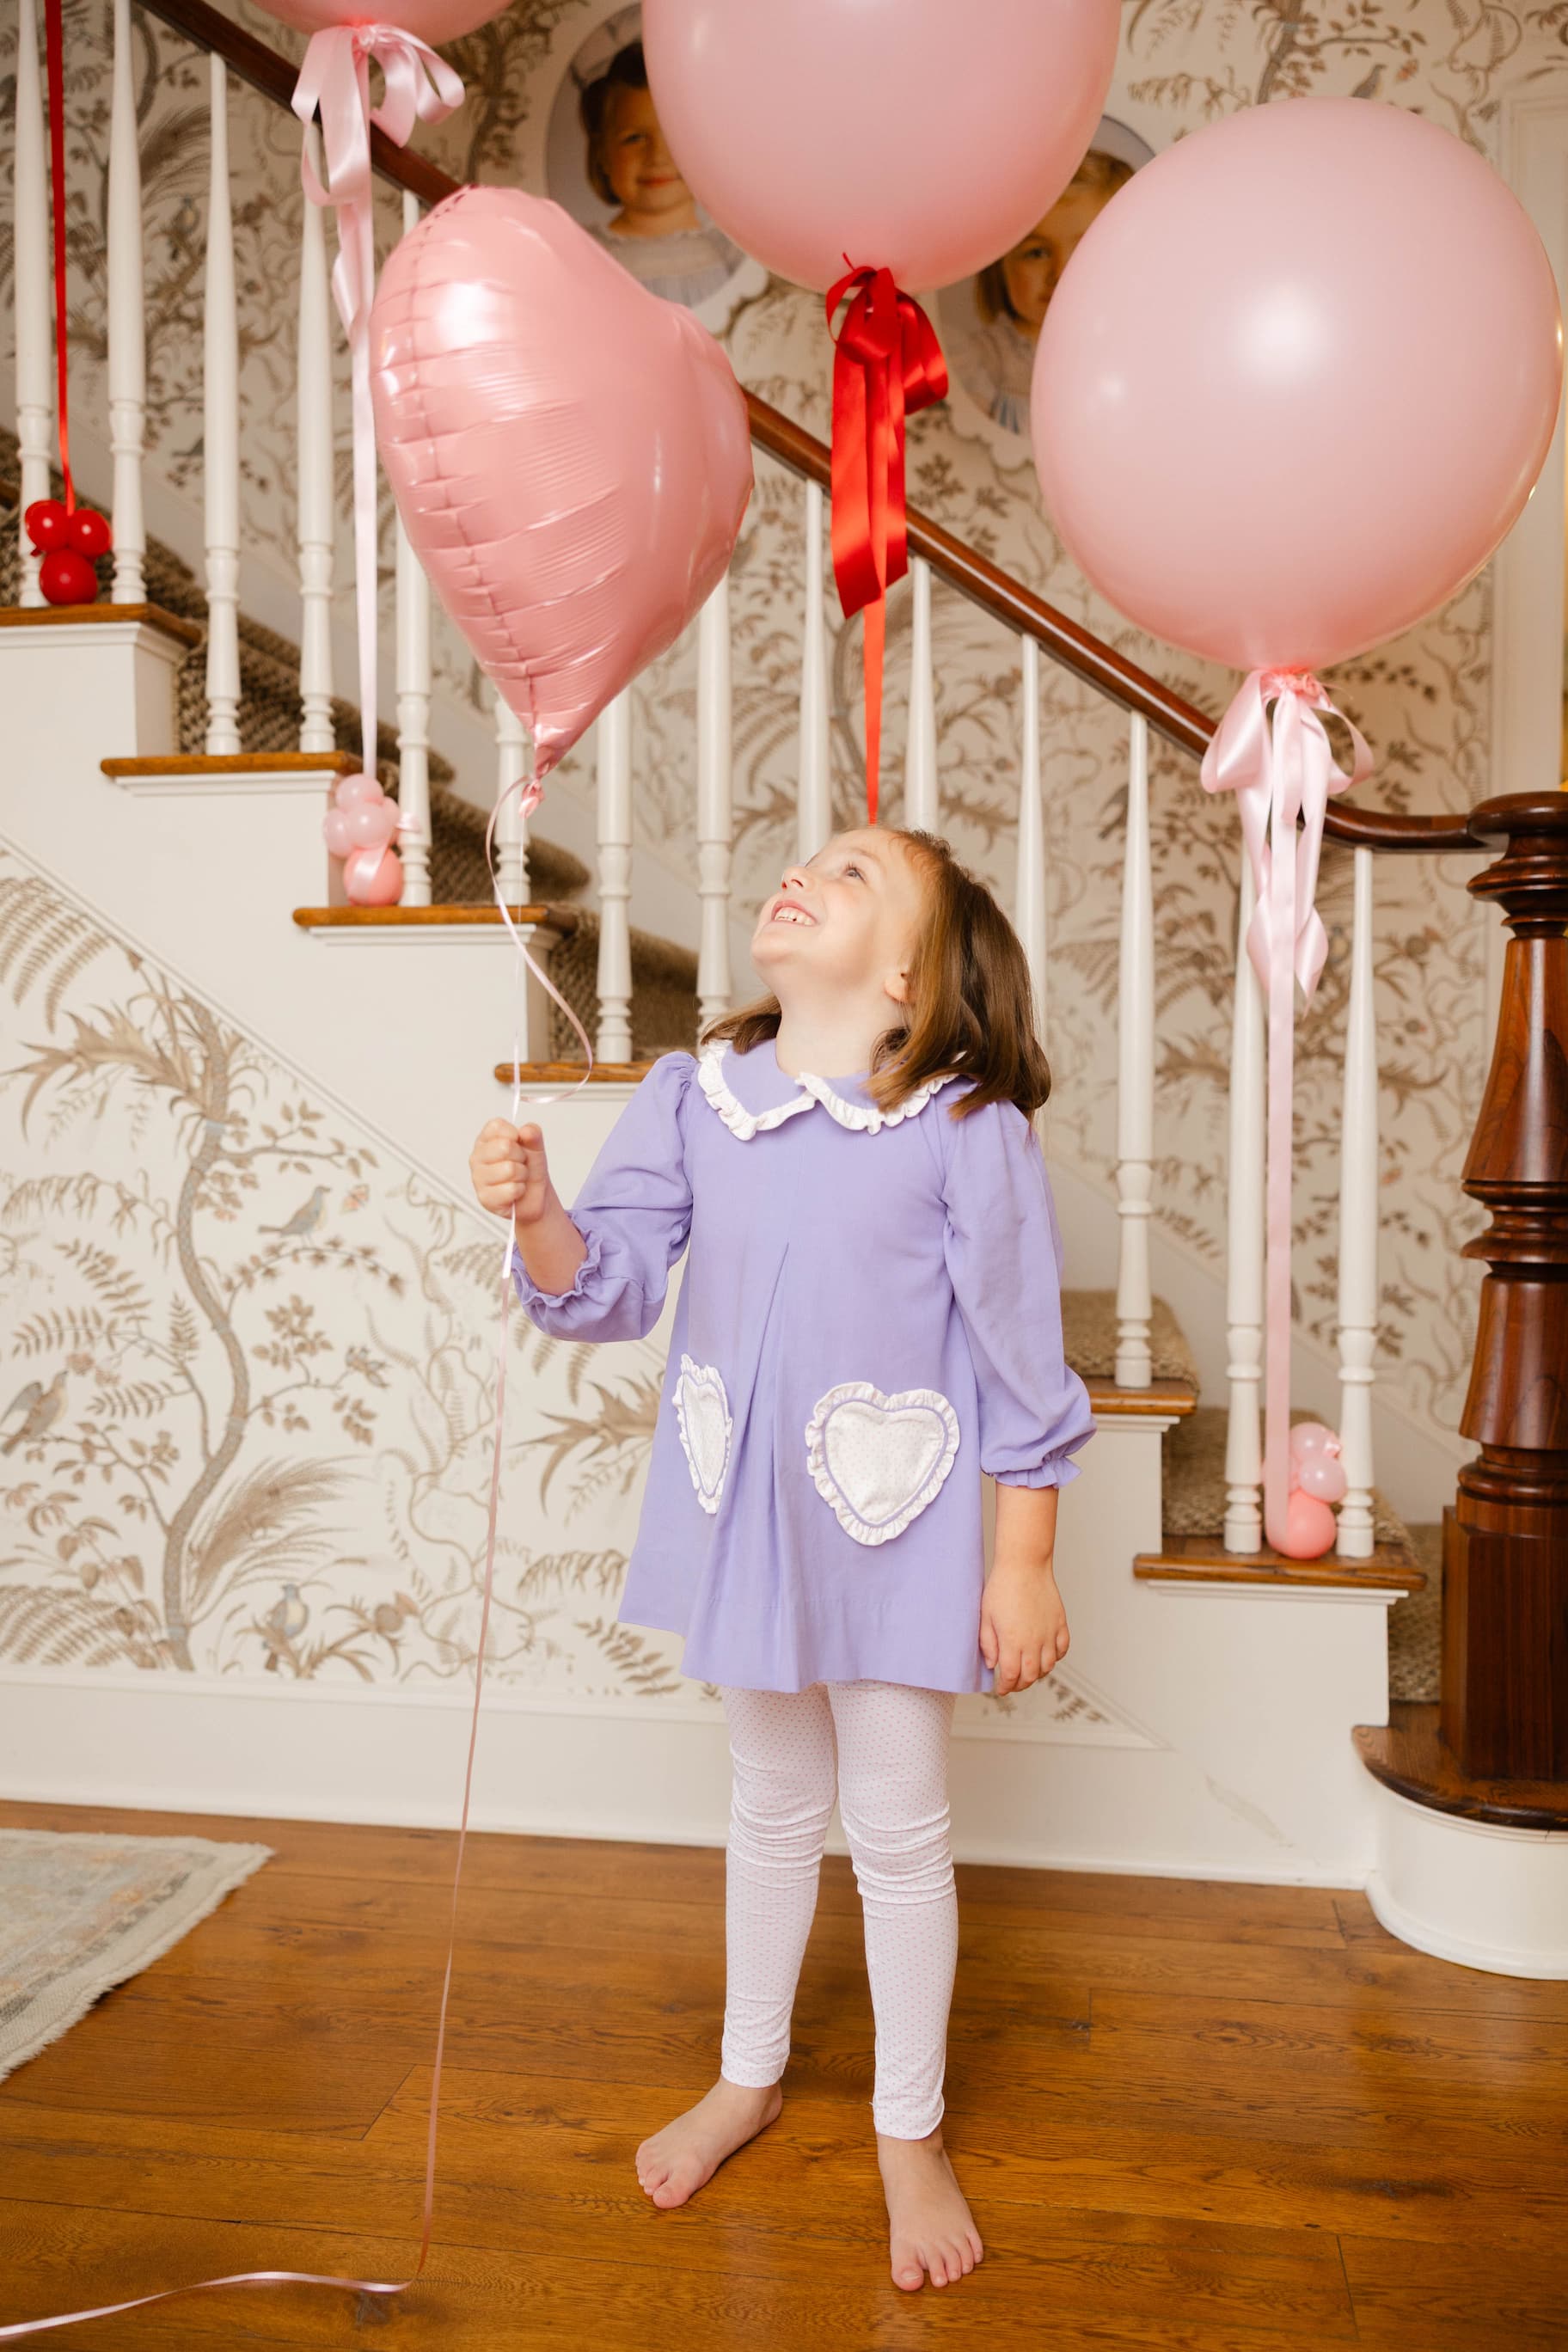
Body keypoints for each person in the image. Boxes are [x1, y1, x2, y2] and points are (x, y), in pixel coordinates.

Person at [468, 825, 1095, 2294]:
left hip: (896, 1526)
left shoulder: (961, 1132)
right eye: (811, 854)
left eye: (859, 873)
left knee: (896, 1826)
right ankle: (747, 2073)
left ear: (905, 977)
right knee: (768, 1803)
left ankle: (906, 2126)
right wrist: (539, 1210)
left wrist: (1024, 1562)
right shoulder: (693, 1101)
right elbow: (606, 1288)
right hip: (747, 1519)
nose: (809, 870)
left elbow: (1019, 1367)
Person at [960, 150, 1134, 432]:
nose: (1061, 273)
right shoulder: (985, 359)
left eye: (1085, 248)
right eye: (1037, 253)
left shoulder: (1134, 352)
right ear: (999, 265)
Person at [578, 40, 744, 309]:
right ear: (603, 155)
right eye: (634, 139)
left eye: (674, 135)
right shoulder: (587, 254)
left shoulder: (730, 250)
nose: (657, 156)